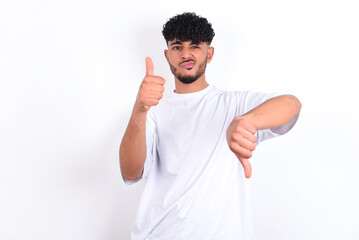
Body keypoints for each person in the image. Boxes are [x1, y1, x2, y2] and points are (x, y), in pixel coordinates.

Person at [119, 12, 301, 240]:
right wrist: (139, 109)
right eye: (177, 47)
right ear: (167, 56)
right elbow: (130, 172)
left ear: (210, 53)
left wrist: (246, 121)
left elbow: (291, 104)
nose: (186, 54)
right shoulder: (153, 111)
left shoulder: (234, 104)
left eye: (194, 46)